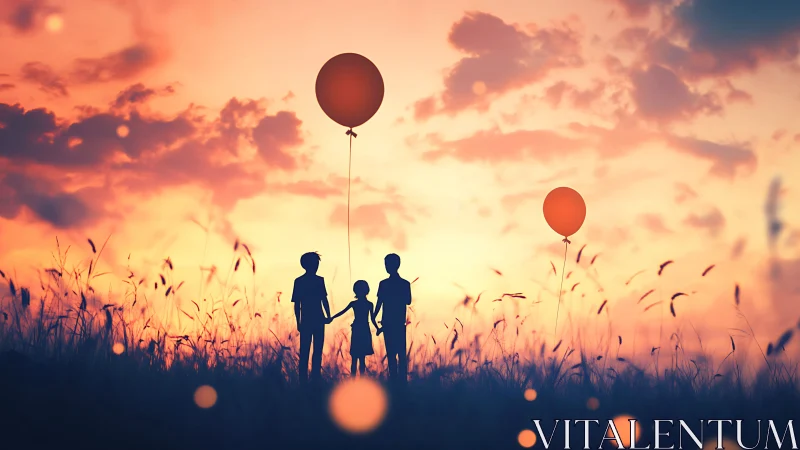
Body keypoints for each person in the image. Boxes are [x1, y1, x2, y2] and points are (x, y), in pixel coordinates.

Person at [326, 280, 380, 377]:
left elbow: (342, 312)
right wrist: (378, 329)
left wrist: (332, 317)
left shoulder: (356, 303)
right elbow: (372, 319)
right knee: (359, 357)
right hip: (363, 329)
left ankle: (354, 379)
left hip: (358, 329)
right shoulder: (369, 304)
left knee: (356, 357)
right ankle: (358, 380)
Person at [291, 252, 331, 383]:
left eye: (317, 263)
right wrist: (298, 322)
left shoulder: (315, 280)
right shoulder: (301, 281)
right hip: (311, 321)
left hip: (315, 320)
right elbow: (297, 304)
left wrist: (328, 315)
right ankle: (306, 380)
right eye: (315, 263)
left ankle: (314, 379)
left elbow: (323, 300)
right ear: (307, 265)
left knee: (315, 351)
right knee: (307, 352)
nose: (316, 266)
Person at [375, 253, 412, 383]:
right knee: (399, 353)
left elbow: (379, 302)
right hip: (397, 323)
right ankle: (400, 381)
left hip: (390, 323)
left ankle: (396, 380)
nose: (386, 267)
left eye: (387, 264)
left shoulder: (384, 284)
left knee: (393, 354)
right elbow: (408, 301)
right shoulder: (405, 284)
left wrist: (374, 315)